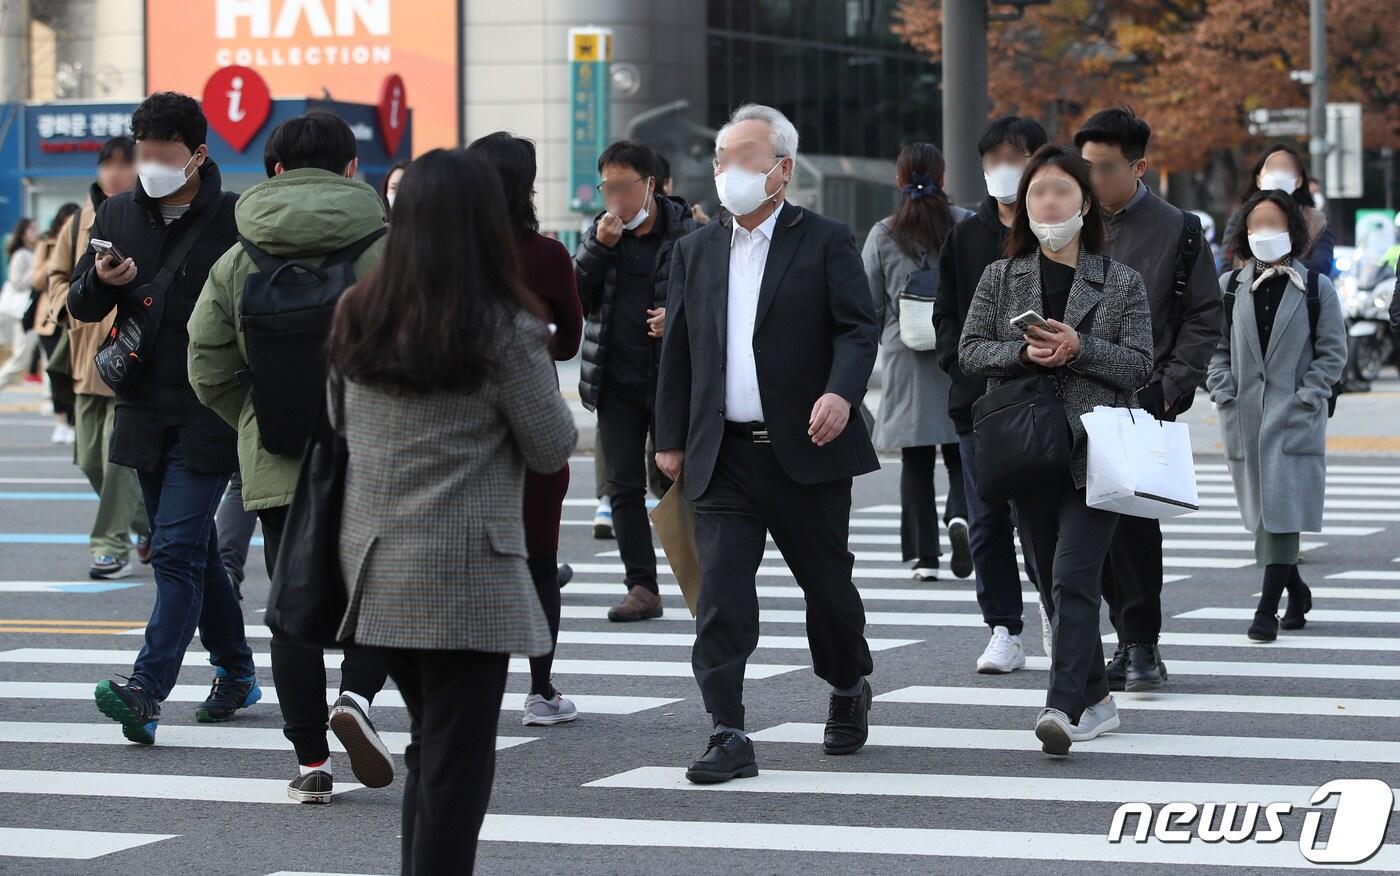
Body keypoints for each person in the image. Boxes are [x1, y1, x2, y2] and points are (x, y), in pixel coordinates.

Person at [328, 148, 576, 875]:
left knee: (432, 746)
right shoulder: (500, 326)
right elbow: (550, 445)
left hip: (374, 566)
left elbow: (338, 423)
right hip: (469, 575)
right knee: (457, 764)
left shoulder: (356, 312)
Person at [655, 103, 879, 783]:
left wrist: (841, 393)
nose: (729, 170)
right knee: (721, 594)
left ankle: (847, 683)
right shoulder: (694, 250)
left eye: (746, 157)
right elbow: (679, 352)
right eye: (723, 158)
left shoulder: (826, 239)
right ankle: (727, 730)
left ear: (781, 169)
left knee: (827, 588)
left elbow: (857, 329)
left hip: (806, 450)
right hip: (722, 454)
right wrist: (668, 438)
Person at [188, 110, 393, 802]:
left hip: (279, 455)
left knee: (293, 606)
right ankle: (357, 697)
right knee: (379, 592)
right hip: (377, 451)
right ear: (350, 170)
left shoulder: (239, 256)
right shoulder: (388, 247)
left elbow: (206, 363)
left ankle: (310, 761)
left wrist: (254, 417)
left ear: (273, 171)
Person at [68, 92, 256, 745]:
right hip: (143, 407)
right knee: (195, 551)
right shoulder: (117, 212)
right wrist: (105, 280)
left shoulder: (235, 220)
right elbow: (83, 305)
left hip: (210, 407)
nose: (149, 165)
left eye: (163, 155)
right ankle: (236, 671)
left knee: (174, 551)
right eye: (143, 152)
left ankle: (146, 690)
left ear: (197, 155)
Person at [959, 144, 1153, 757]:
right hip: (1026, 450)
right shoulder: (1000, 276)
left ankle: (1063, 705)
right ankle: (1095, 698)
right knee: (1049, 580)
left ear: (1084, 202)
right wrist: (1022, 354)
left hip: (1096, 451)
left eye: (1062, 191)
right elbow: (969, 351)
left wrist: (1081, 346)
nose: (1049, 201)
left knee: (1074, 576)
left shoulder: (1119, 281)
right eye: (1039, 191)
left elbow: (1142, 365)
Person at [1074, 107, 1222, 692]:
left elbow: (1203, 314)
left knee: (1133, 527)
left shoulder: (1177, 228)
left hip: (1140, 395)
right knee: (1077, 523)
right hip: (1070, 392)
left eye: (1102, 168)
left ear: (1138, 167)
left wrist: (1172, 385)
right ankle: (1104, 638)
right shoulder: (1067, 218)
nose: (1089, 179)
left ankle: (1140, 644)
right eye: (1082, 165)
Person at [467, 130, 585, 726]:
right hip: (530, 426)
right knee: (539, 558)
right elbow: (569, 340)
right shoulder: (546, 256)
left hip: (459, 434)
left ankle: (460, 692)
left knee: (464, 560)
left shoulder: (445, 255)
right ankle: (540, 690)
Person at [933, 115, 1050, 673]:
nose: (1005, 169)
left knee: (1041, 516)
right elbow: (946, 314)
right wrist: (960, 363)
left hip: (1044, 400)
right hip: (977, 403)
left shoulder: (1055, 228)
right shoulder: (965, 234)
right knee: (985, 520)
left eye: (1016, 157)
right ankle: (1003, 627)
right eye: (994, 159)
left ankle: (1055, 607)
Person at [1207, 189, 1346, 642]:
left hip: (1294, 416)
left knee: (1280, 514)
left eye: (1275, 223)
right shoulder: (1230, 286)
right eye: (1257, 225)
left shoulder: (1315, 289)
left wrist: (1310, 396)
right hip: (1245, 416)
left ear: (1293, 230)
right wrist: (1223, 388)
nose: (1266, 232)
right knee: (1265, 512)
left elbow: (1332, 353)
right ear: (1246, 234)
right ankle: (1297, 592)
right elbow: (1216, 347)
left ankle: (1265, 610)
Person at [574, 139, 699, 622]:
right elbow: (575, 296)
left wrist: (678, 317)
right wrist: (597, 247)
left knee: (684, 481)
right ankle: (642, 586)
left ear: (649, 185)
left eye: (625, 188)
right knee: (622, 486)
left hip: (673, 381)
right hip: (616, 382)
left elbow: (715, 298)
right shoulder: (600, 234)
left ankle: (704, 580)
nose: (616, 200)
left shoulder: (687, 232)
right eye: (608, 188)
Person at [862, 143, 971, 583]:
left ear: (898, 180)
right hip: (961, 350)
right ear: (943, 180)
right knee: (963, 452)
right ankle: (962, 515)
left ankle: (925, 557)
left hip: (905, 354)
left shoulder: (884, 233)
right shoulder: (965, 225)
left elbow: (866, 307)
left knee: (916, 461)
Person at [47, 136, 151, 580]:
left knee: (115, 459)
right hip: (84, 358)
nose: (114, 173)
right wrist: (64, 307)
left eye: (124, 164)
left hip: (129, 355)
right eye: (106, 164)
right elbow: (55, 277)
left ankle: (109, 545)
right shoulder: (77, 222)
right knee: (89, 459)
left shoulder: (146, 218)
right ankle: (150, 524)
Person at [1223, 144, 1334, 277]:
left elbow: (1323, 265)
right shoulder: (1241, 217)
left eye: (1285, 168)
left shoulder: (1317, 222)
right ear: (1258, 179)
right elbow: (1227, 263)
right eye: (1272, 167)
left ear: (1299, 180)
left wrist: (1278, 269)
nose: (1278, 173)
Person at [32, 202, 81, 444]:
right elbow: (37, 281)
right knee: (56, 371)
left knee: (74, 372)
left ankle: (73, 420)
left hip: (77, 318)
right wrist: (57, 259)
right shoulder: (46, 243)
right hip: (50, 318)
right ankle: (60, 419)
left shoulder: (85, 240)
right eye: (65, 222)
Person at [0, 218, 40, 386]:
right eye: (32, 229)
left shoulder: (33, 252)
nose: (36, 233)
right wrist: (36, 273)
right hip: (23, 312)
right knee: (21, 356)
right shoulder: (21, 254)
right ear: (23, 234)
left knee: (38, 353)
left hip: (32, 312)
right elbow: (16, 282)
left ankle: (50, 399)